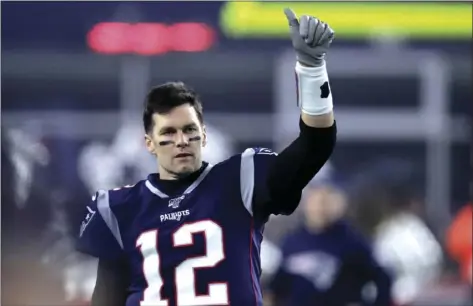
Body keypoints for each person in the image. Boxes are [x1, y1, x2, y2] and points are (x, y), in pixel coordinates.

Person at [76, 9, 337, 306]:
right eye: (169, 133)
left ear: (204, 135)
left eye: (189, 130)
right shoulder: (121, 209)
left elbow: (315, 145)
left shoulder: (239, 181)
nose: (181, 141)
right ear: (148, 143)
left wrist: (312, 69)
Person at [269, 183, 392, 306]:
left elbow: (382, 278)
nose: (320, 208)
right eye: (316, 201)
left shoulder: (351, 240)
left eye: (325, 202)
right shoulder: (292, 241)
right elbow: (278, 287)